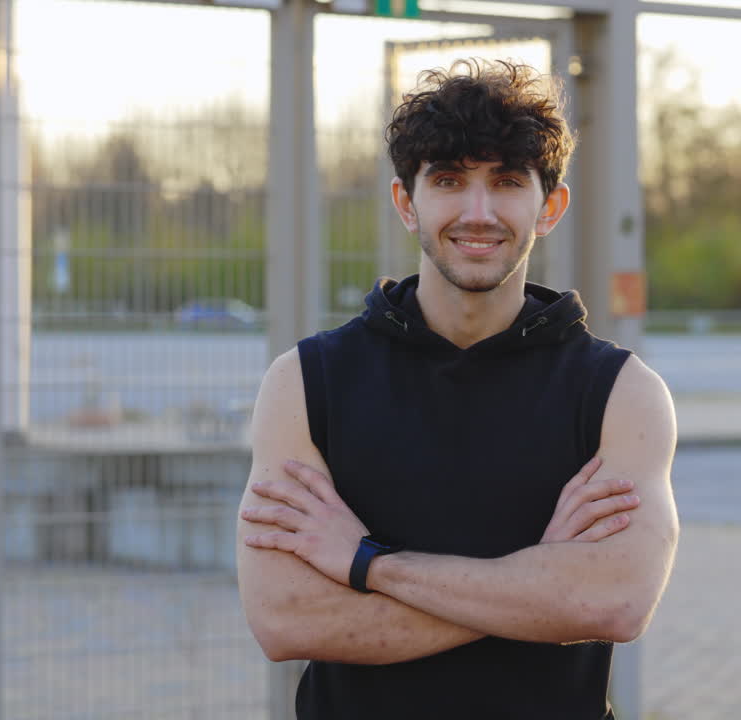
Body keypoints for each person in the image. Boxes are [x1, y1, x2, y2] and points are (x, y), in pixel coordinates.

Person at [235, 58, 678, 719]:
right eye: (448, 181)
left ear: (550, 206)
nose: (478, 212)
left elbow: (613, 603)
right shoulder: (305, 383)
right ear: (405, 203)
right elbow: (285, 620)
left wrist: (367, 565)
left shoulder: (619, 393)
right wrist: (541, 583)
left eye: (505, 182)